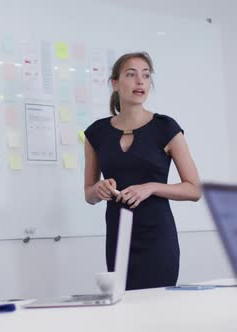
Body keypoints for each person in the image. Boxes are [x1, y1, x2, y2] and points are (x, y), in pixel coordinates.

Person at [84, 52, 202, 290]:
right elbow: (89, 194)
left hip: (157, 237)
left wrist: (151, 187)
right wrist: (99, 189)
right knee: (125, 313)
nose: (140, 81)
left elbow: (194, 189)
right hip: (118, 236)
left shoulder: (166, 128)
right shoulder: (96, 133)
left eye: (146, 76)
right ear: (115, 83)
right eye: (131, 74)